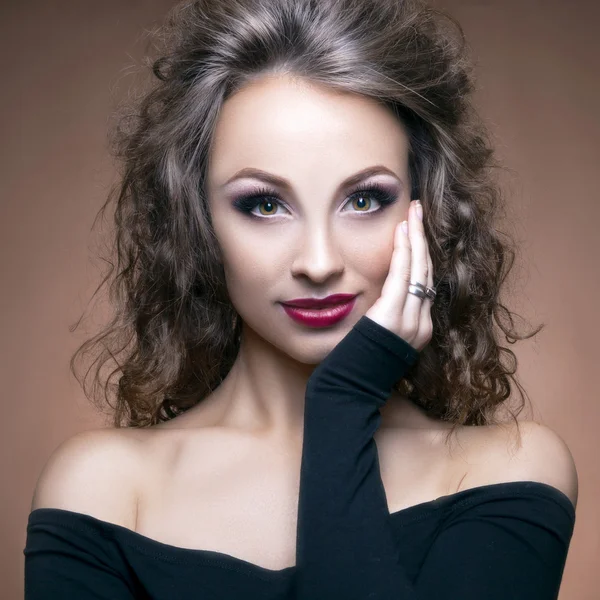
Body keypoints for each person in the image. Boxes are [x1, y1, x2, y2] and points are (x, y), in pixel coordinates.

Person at [24, 0, 578, 598]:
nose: (318, 262)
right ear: (198, 222)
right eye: (264, 204)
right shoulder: (102, 492)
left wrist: (341, 404)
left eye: (364, 200)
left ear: (426, 210)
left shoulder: (511, 473)